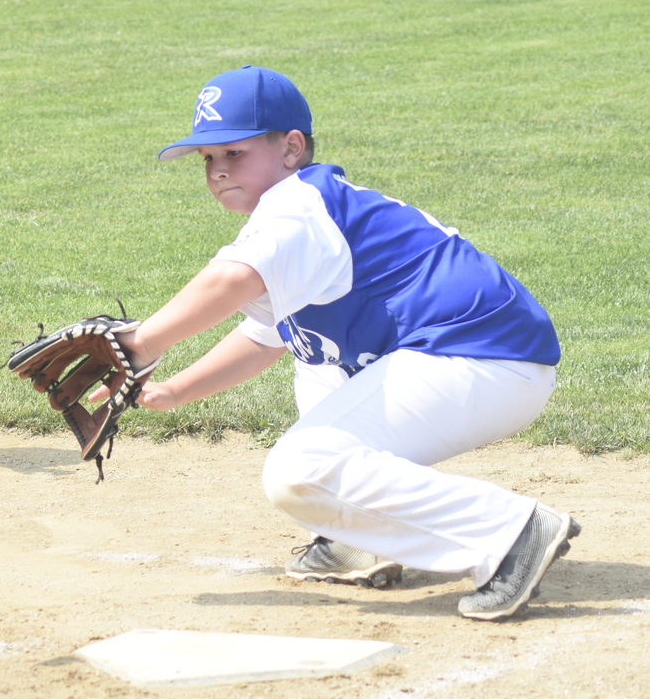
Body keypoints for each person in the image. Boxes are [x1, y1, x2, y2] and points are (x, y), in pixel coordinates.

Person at [99, 66, 578, 620]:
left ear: (291, 148)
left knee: (297, 468)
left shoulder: (298, 206)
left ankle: (509, 531)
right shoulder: (302, 212)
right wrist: (174, 390)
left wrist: (139, 343)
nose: (217, 170)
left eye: (234, 152)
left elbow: (230, 281)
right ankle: (363, 540)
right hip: (466, 354)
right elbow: (267, 336)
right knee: (317, 360)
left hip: (483, 354)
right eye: (208, 158)